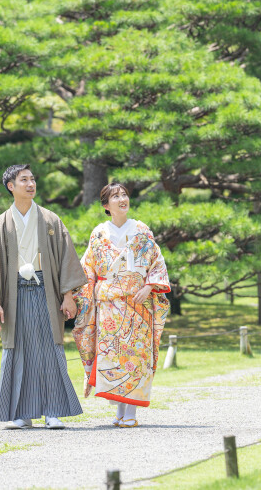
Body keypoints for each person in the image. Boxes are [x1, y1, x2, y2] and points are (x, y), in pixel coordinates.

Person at [0, 164, 87, 429]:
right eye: (24, 180)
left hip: (46, 289)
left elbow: (66, 258)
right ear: (11, 186)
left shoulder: (50, 220)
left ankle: (53, 411)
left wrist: (68, 295)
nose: (31, 184)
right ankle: (21, 414)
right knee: (18, 349)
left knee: (49, 348)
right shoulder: (0, 224)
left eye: (33, 179)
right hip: (14, 293)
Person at [72, 182, 170, 428]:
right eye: (115, 196)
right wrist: (84, 298)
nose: (122, 199)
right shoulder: (98, 233)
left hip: (138, 304)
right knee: (113, 356)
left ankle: (132, 413)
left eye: (124, 194)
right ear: (106, 205)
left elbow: (156, 262)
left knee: (136, 356)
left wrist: (149, 286)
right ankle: (119, 410)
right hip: (108, 307)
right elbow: (88, 269)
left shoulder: (141, 230)